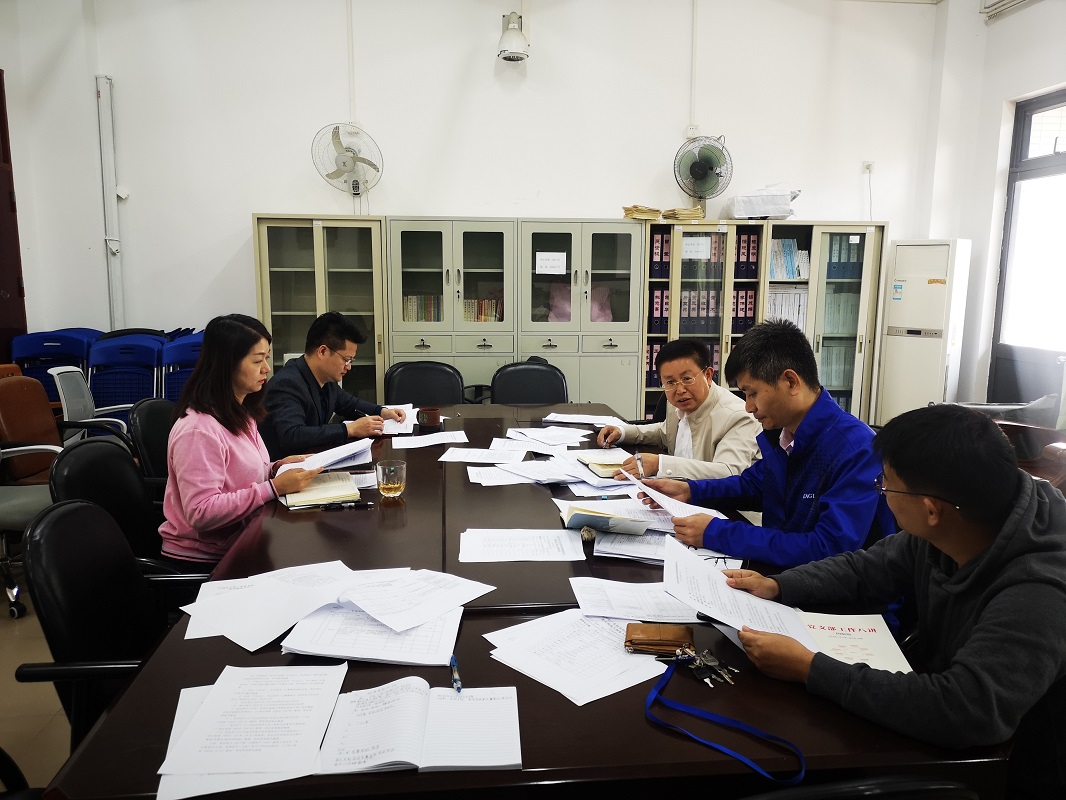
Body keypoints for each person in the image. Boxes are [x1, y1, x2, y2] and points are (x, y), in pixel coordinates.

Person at [725, 404, 1066, 798]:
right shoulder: (963, 514)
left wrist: (809, 667)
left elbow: (967, 709)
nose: (882, 492)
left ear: (931, 509)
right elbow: (865, 569)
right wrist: (778, 586)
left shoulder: (1039, 586)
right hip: (935, 729)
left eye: (885, 484)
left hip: (1008, 772)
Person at [642, 319, 895, 570]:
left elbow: (827, 549)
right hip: (781, 575)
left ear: (790, 382)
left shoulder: (855, 450)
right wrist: (689, 491)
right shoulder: (785, 433)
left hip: (823, 588)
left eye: (752, 393)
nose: (748, 407)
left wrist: (717, 532)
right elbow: (753, 485)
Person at [159, 314, 321, 569]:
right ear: (228, 365)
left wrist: (276, 468)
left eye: (266, 358)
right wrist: (273, 488)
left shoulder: (240, 412)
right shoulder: (198, 430)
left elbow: (239, 476)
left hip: (243, 539)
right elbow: (201, 512)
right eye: (257, 360)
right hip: (204, 561)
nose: (266, 369)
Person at [595, 338, 760, 480]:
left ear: (708, 375)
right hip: (677, 493)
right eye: (670, 382)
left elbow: (729, 472)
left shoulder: (739, 416)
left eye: (687, 378)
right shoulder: (676, 403)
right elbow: (665, 432)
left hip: (719, 505)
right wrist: (623, 432)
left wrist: (660, 464)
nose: (680, 390)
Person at [259, 311, 405, 459]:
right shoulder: (287, 384)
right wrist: (349, 429)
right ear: (323, 351)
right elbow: (293, 435)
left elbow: (350, 404)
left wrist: (382, 412)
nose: (349, 367)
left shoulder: (325, 379)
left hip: (312, 459)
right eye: (346, 360)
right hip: (286, 467)